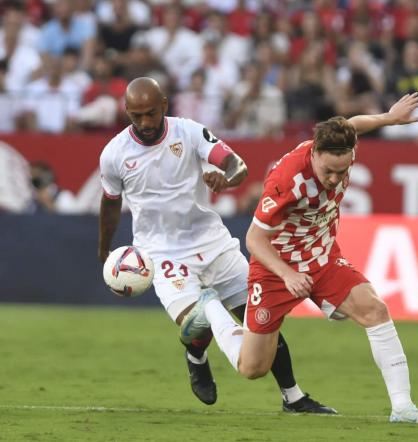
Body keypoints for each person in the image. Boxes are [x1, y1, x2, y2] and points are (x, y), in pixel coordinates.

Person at [185, 92, 418, 424]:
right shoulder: (286, 180)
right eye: (330, 171)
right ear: (315, 152)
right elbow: (254, 239)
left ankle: (403, 408)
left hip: (321, 257)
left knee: (375, 309)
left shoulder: (339, 145)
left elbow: (352, 125)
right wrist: (287, 274)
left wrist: (389, 118)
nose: (335, 179)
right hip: (275, 267)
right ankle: (209, 305)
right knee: (253, 368)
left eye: (343, 170)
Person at [97, 77, 335, 414]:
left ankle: (293, 397)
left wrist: (226, 178)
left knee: (260, 320)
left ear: (165, 104)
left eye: (151, 113)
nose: (145, 123)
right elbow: (109, 203)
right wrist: (104, 249)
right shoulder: (114, 154)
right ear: (127, 112)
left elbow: (236, 164)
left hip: (214, 244)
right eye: (137, 116)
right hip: (162, 254)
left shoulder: (190, 132)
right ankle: (196, 354)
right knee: (196, 320)